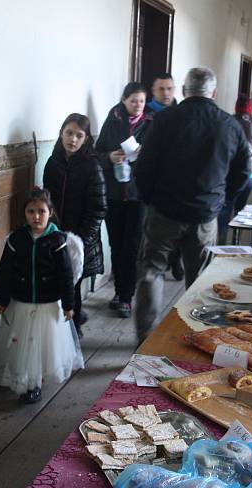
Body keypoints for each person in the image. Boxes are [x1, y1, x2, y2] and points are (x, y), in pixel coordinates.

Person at [133, 67, 251, 341]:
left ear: (185, 91)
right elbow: (244, 171)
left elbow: (144, 165)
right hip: (205, 214)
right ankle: (196, 336)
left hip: (164, 211)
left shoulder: (164, 120)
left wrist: (149, 198)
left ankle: (144, 338)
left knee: (151, 271)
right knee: (200, 279)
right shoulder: (229, 124)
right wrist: (222, 199)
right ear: (214, 92)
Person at [0, 189, 83, 403]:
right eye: (31, 211)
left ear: (50, 212)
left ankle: (36, 382)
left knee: (41, 346)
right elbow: (5, 271)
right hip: (21, 303)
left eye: (41, 211)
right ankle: (26, 382)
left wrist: (69, 304)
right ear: (24, 213)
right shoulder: (16, 239)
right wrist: (2, 300)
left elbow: (66, 275)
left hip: (47, 305)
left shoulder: (57, 240)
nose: (36, 216)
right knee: (22, 344)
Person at [43, 113, 107, 339]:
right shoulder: (53, 163)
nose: (73, 139)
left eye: (79, 135)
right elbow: (46, 202)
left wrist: (80, 240)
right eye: (69, 133)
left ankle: (74, 329)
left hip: (81, 238)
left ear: (86, 139)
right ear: (61, 133)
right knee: (56, 280)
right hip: (56, 235)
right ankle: (57, 328)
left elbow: (98, 209)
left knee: (72, 284)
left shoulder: (92, 166)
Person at [95, 82, 153, 318]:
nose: (138, 105)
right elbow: (96, 155)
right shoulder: (112, 121)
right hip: (114, 194)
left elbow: (159, 157)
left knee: (131, 246)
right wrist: (110, 157)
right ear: (124, 99)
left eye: (141, 101)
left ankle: (126, 297)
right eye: (133, 101)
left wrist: (143, 157)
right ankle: (119, 293)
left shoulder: (151, 123)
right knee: (116, 245)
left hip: (138, 195)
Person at [146, 72, 184, 281]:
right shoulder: (146, 113)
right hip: (153, 180)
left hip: (176, 179)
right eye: (161, 88)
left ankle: (175, 259)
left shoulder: (181, 113)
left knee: (178, 225)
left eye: (169, 88)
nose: (166, 92)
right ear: (153, 91)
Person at [218, 95, 252, 244]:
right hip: (250, 174)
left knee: (226, 206)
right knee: (240, 209)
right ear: (250, 108)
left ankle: (221, 239)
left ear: (236, 107)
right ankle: (235, 240)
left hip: (229, 172)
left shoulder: (227, 122)